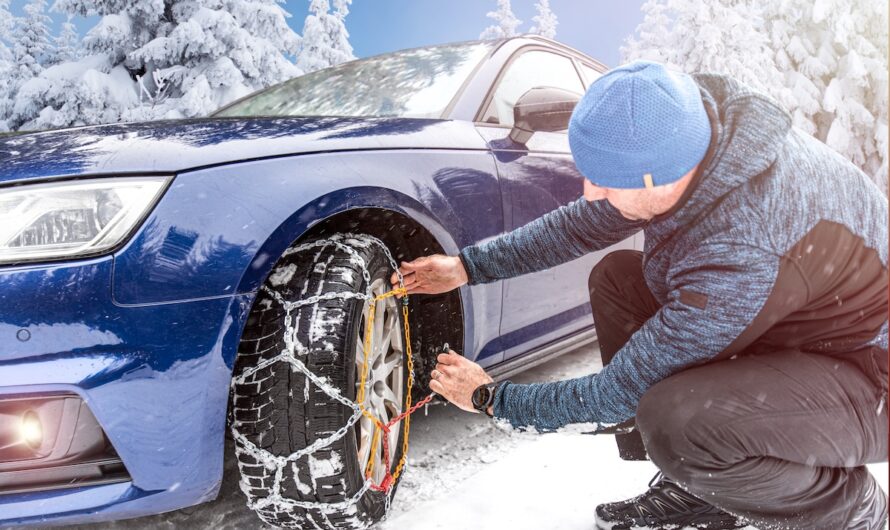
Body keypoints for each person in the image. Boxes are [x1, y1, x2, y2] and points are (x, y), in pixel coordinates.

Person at [391, 60, 889, 530]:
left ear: (662, 175)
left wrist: (491, 398)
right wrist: (466, 267)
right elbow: (580, 226)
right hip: (798, 324)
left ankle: (849, 509)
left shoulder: (742, 240)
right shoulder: (687, 143)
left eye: (606, 182)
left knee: (677, 422)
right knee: (618, 279)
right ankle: (703, 487)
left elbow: (615, 394)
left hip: (870, 378)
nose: (590, 192)